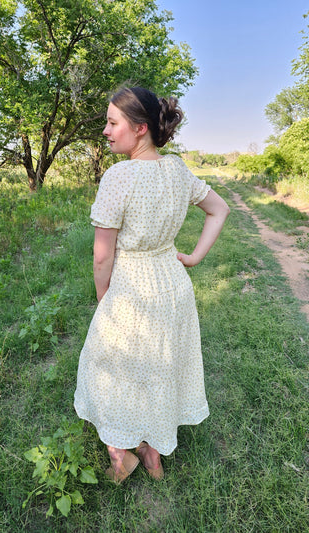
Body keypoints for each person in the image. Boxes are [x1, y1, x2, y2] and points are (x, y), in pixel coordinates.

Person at [74, 86, 230, 483]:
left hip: (131, 287)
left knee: (108, 366)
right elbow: (219, 209)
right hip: (172, 285)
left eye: (112, 123)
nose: (106, 131)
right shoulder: (178, 169)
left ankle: (121, 451)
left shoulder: (118, 177)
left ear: (140, 128)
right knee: (160, 365)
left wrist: (102, 298)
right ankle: (153, 452)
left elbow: (102, 255)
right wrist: (193, 258)